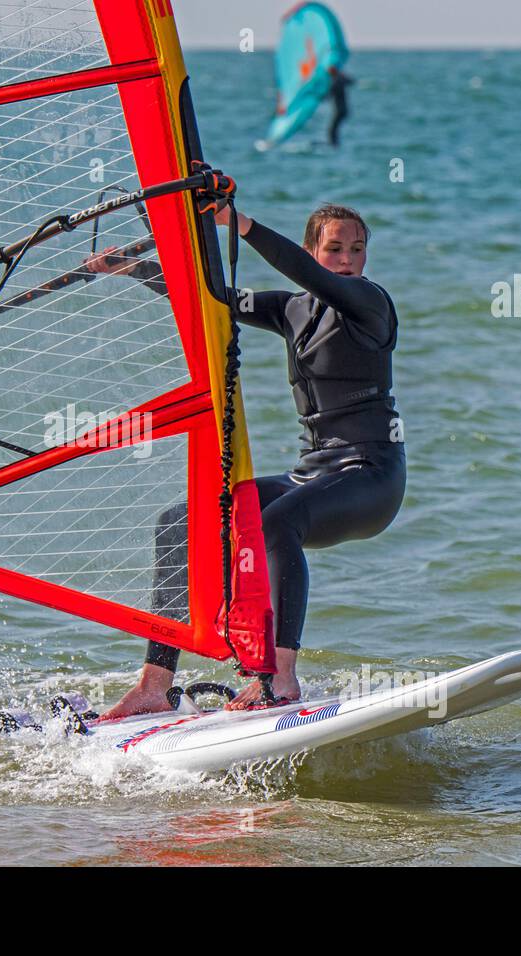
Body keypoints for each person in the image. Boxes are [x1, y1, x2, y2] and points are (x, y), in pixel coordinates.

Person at [100, 198, 406, 716]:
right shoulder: (292, 310)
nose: (348, 259)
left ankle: (281, 678)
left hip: (370, 478)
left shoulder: (369, 303)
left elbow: (307, 272)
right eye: (335, 248)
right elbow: (213, 298)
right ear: (315, 248)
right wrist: (132, 269)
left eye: (356, 249)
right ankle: (155, 682)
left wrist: (241, 226)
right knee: (182, 520)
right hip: (310, 473)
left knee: (276, 522)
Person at [326, 65, 353, 146]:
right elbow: (351, 81)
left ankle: (334, 145)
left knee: (332, 130)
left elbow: (327, 95)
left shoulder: (335, 82)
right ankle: (335, 144)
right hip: (344, 110)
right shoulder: (341, 79)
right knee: (334, 129)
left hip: (339, 110)